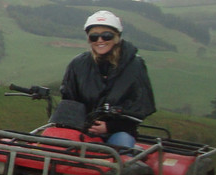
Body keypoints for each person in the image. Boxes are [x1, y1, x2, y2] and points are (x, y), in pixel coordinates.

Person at [59, 10, 156, 149]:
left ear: (117, 37)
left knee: (120, 153)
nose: (100, 40)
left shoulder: (135, 66)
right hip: (81, 129)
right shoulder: (78, 64)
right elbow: (68, 100)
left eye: (106, 35)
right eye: (94, 36)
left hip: (118, 131)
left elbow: (141, 106)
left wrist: (110, 126)